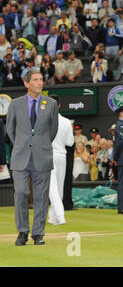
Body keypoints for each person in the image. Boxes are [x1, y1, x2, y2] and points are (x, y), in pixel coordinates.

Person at [6, 70, 59, 246]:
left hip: (42, 156)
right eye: (35, 80)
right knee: (21, 193)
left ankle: (38, 233)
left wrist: (40, 144)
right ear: (26, 83)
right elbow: (10, 131)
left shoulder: (51, 104)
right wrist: (23, 144)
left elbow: (52, 131)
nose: (40, 83)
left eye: (41, 79)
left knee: (41, 197)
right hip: (20, 157)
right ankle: (22, 232)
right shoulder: (15, 104)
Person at [47, 95, 74, 226]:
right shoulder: (67, 122)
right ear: (59, 106)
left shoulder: (43, 121)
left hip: (49, 156)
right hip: (61, 156)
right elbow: (70, 142)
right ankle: (55, 217)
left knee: (53, 187)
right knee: (57, 187)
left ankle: (58, 216)